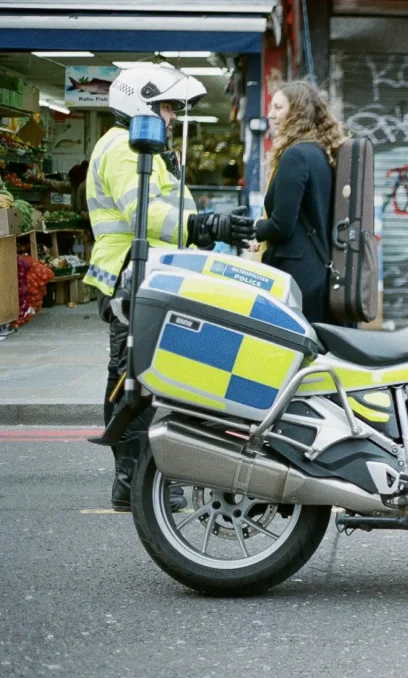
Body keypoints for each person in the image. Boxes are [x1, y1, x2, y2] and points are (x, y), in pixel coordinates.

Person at [85, 64, 255, 510]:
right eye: (166, 107)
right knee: (132, 378)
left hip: (144, 273)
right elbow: (144, 213)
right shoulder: (124, 147)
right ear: (140, 102)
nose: (174, 118)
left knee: (138, 374)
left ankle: (135, 476)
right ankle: (131, 481)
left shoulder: (146, 148)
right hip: (127, 274)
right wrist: (203, 224)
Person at [249, 80, 346, 324]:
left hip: (296, 277)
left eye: (278, 107)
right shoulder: (320, 153)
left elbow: (282, 225)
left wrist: (255, 230)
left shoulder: (296, 155)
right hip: (317, 274)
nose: (270, 114)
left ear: (297, 113)